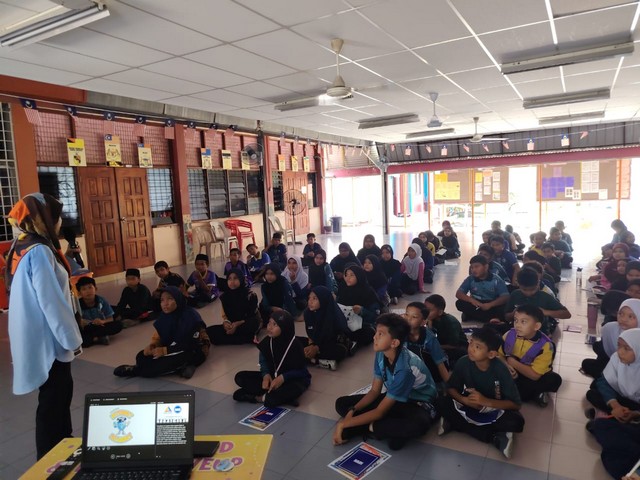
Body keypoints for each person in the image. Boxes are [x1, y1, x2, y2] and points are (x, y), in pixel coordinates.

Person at [5, 193, 83, 459]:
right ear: (45, 219)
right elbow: (51, 301)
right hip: (48, 339)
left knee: (58, 396)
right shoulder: (39, 251)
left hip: (35, 332)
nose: (59, 222)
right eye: (57, 217)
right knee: (53, 401)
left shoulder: (22, 244)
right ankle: (49, 459)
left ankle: (64, 448)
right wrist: (72, 340)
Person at [333, 314, 437, 451]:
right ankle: (382, 428)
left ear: (394, 343)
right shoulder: (381, 353)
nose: (374, 337)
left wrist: (344, 424)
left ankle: (375, 426)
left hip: (417, 403)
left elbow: (380, 412)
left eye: (380, 334)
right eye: (376, 332)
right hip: (394, 398)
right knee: (342, 404)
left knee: (417, 425)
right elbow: (375, 391)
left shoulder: (405, 369)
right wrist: (353, 410)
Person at [437, 327, 525, 459]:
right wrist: (464, 400)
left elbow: (515, 404)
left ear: (491, 354)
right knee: (441, 402)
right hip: (471, 403)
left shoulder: (500, 369)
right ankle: (494, 437)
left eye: (477, 347)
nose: (471, 349)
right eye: (471, 343)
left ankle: (456, 424)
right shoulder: (463, 362)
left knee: (516, 422)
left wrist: (486, 401)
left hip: (493, 407)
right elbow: (451, 388)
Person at [114, 286, 210, 379]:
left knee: (158, 366)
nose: (165, 304)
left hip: (195, 348)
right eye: (162, 300)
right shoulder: (166, 315)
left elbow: (190, 345)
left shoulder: (191, 316)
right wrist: (153, 345)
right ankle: (181, 368)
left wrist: (165, 351)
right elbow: (160, 336)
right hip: (174, 346)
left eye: (170, 299)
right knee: (141, 356)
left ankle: (135, 370)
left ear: (178, 299)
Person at [233, 311, 311, 407]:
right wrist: (265, 375)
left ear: (284, 327)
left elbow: (302, 372)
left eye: (275, 324)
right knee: (239, 377)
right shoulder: (267, 342)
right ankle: (278, 397)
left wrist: (283, 378)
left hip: (292, 380)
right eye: (269, 323)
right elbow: (263, 361)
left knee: (292, 390)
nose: (270, 327)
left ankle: (260, 397)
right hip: (273, 376)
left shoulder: (295, 345)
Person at [498, 305, 562, 407]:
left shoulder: (545, 345)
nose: (517, 325)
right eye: (516, 320)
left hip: (531, 376)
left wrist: (512, 362)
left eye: (523, 322)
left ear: (536, 326)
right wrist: (506, 365)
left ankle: (529, 393)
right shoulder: (509, 334)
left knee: (553, 379)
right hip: (511, 371)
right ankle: (529, 394)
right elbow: (499, 355)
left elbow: (535, 375)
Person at [585, 328, 640, 421]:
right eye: (618, 345)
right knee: (593, 393)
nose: (620, 352)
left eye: (627, 348)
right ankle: (618, 416)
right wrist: (615, 405)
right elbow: (604, 382)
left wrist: (634, 414)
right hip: (621, 398)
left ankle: (619, 418)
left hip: (636, 406)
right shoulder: (616, 358)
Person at [581, 298, 640, 378]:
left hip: (634, 373)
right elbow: (606, 356)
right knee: (589, 361)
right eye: (621, 314)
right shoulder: (610, 329)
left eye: (630, 316)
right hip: (613, 363)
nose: (623, 319)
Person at [300, 286, 353, 370]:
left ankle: (310, 359)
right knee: (295, 342)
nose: (310, 301)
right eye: (309, 298)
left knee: (340, 351)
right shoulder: (308, 313)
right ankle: (318, 360)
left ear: (323, 300)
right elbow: (310, 333)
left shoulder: (332, 315)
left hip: (333, 343)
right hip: (316, 342)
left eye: (314, 298)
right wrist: (311, 345)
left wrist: (316, 348)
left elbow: (333, 338)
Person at [504, 268, 571, 335]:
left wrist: (545, 312)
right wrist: (513, 313)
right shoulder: (515, 295)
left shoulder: (544, 297)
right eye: (524, 290)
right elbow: (507, 317)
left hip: (541, 334)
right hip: (517, 333)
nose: (529, 293)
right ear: (518, 284)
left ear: (538, 283)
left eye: (532, 289)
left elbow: (567, 314)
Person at [206, 269, 260, 345]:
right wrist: (226, 323)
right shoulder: (225, 297)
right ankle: (248, 338)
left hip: (246, 323)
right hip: (233, 323)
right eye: (229, 279)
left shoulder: (250, 295)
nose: (232, 281)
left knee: (251, 325)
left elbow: (253, 316)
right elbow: (225, 316)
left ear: (241, 279)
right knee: (209, 332)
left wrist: (237, 324)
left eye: (235, 278)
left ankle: (243, 336)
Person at [336, 264, 382, 346]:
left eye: (351, 275)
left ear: (359, 276)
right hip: (345, 322)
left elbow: (375, 315)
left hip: (362, 323)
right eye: (346, 275)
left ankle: (349, 342)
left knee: (368, 333)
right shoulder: (343, 288)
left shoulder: (367, 291)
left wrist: (362, 311)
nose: (348, 278)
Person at [455, 255, 509, 323]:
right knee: (459, 303)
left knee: (504, 308)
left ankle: (472, 316)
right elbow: (459, 293)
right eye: (472, 267)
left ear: (486, 267)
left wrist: (490, 305)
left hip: (492, 304)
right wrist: (472, 300)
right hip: (476, 304)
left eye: (477, 267)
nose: (473, 270)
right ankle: (489, 318)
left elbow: (505, 297)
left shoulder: (496, 279)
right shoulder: (470, 279)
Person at [405, 302, 450, 383]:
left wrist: (450, 386)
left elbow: (440, 364)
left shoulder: (429, 338)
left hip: (429, 370)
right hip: (410, 369)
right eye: (407, 314)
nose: (408, 319)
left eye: (414, 317)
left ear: (423, 322)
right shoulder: (400, 333)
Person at [76, 276, 123, 346]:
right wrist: (80, 322)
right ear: (79, 293)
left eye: (90, 287)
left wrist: (102, 321)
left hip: (101, 325)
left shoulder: (102, 301)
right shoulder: (77, 304)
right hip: (87, 328)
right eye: (84, 289)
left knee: (118, 325)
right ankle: (98, 338)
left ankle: (94, 338)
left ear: (95, 289)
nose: (88, 291)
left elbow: (111, 318)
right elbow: (75, 322)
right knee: (78, 335)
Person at [425, 294, 468, 365]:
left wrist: (435, 346)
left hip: (459, 347)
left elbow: (454, 345)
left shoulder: (450, 322)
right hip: (444, 345)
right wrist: (429, 326)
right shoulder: (431, 319)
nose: (425, 312)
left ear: (440, 312)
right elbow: (431, 337)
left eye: (429, 310)